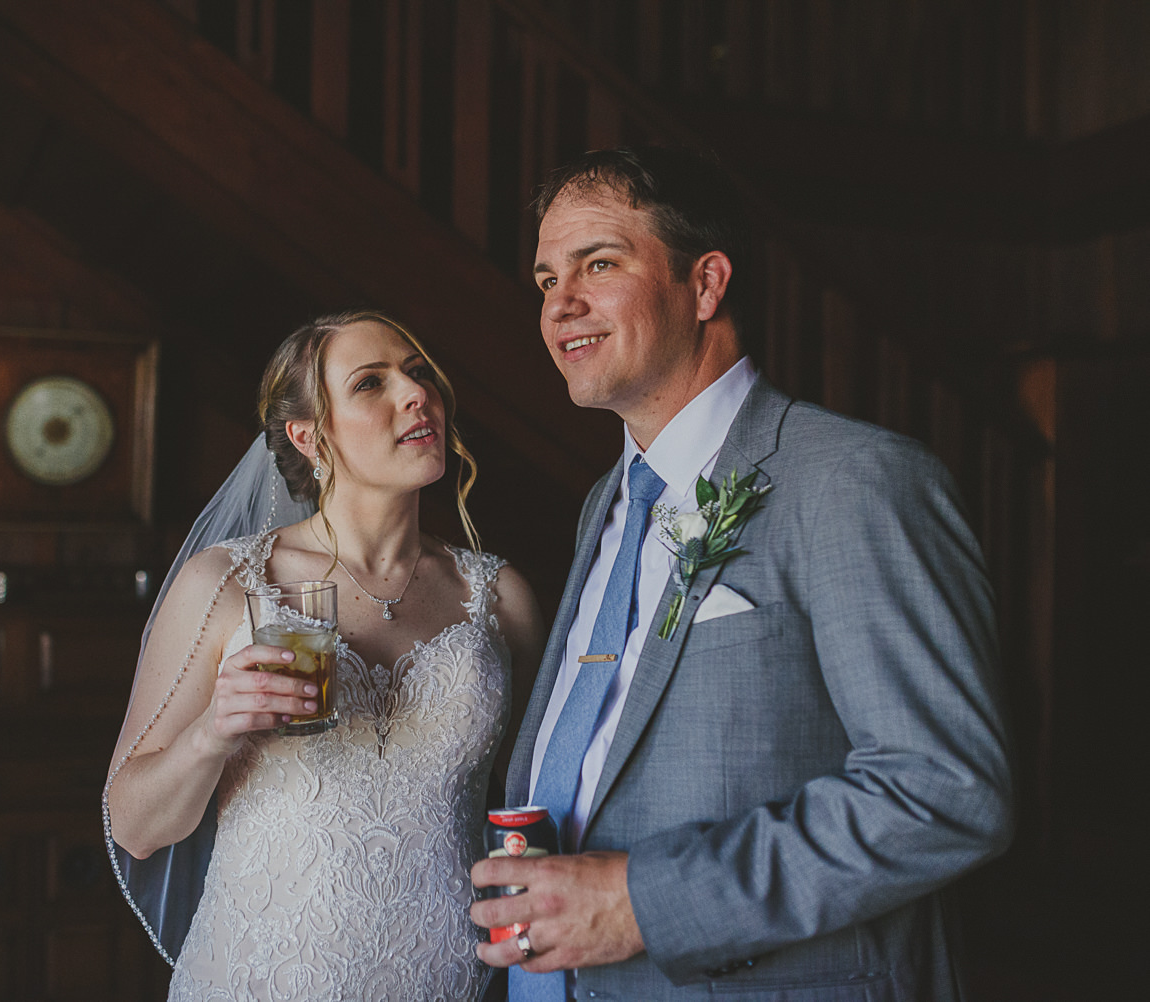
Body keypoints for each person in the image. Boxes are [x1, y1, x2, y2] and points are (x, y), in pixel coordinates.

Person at [470, 147, 1013, 1001]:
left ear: (706, 285)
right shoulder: (603, 505)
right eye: (545, 280)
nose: (560, 305)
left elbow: (944, 791)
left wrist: (644, 904)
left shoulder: (853, 480)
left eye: (599, 264)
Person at [104, 309, 544, 1001]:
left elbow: (542, 802)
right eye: (371, 383)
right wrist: (213, 733)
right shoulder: (228, 584)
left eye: (419, 373)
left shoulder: (500, 597)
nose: (414, 394)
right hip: (264, 980)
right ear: (311, 437)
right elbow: (133, 827)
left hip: (454, 984)